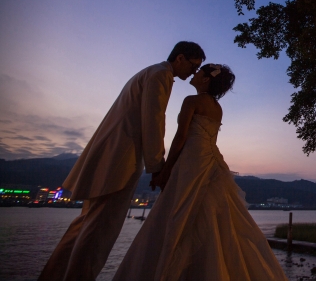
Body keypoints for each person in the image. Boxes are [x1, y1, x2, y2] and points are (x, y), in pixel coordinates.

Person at [39, 41, 206, 281]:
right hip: (120, 159)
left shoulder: (151, 72)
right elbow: (153, 121)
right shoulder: (160, 75)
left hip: (108, 155)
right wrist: (158, 168)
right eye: (193, 65)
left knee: (84, 225)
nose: (194, 72)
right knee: (99, 234)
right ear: (180, 58)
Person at [113, 63, 288, 281]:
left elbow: (180, 139)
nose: (195, 74)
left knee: (181, 209)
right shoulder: (217, 107)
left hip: (192, 160)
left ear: (206, 79)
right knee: (212, 214)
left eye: (199, 72)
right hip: (211, 159)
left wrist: (163, 170)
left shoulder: (192, 101)